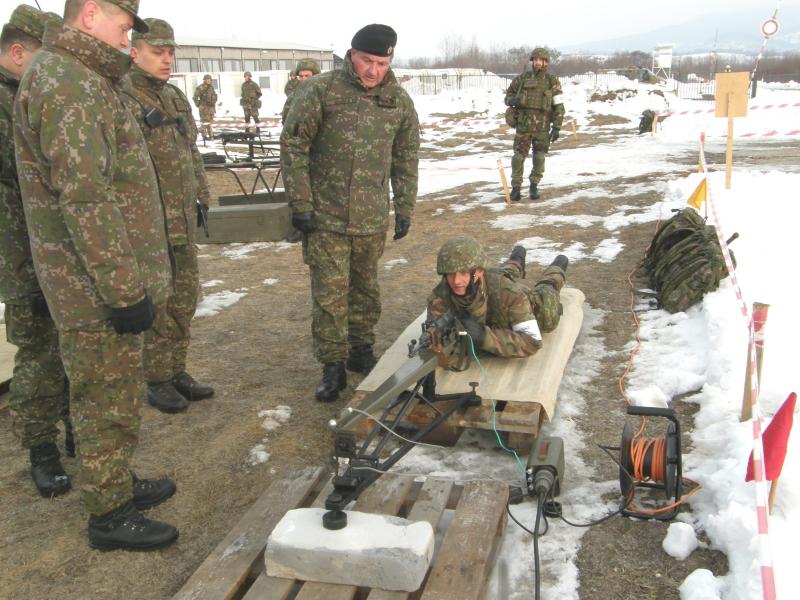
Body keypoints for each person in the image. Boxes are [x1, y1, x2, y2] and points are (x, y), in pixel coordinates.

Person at [14, 0, 178, 551]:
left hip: (97, 278)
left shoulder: (81, 76)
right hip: (93, 287)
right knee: (103, 397)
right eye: (124, 26)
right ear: (89, 14)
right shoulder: (68, 82)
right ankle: (109, 513)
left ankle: (115, 480)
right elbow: (85, 196)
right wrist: (123, 290)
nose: (128, 40)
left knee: (114, 392)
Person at [281, 23, 420, 402]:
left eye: (382, 63)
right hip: (325, 217)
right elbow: (294, 147)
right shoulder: (320, 91)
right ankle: (332, 367)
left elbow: (406, 157)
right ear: (352, 55)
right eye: (367, 61)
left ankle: (361, 350)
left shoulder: (397, 101)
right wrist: (301, 204)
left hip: (370, 218)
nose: (374, 71)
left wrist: (404, 206)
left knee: (365, 290)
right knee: (329, 295)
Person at [123, 18, 214, 413]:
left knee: (183, 298)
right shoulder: (121, 97)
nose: (166, 59)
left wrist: (201, 195)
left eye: (170, 52)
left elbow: (191, 151)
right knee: (157, 303)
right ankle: (156, 378)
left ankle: (176, 368)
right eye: (157, 52)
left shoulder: (175, 97)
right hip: (147, 225)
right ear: (134, 52)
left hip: (181, 218)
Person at [1, 5, 71, 498]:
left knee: (67, 345)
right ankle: (41, 448)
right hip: (19, 252)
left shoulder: (26, 94)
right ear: (18, 51)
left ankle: (73, 430)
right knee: (37, 352)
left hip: (51, 245)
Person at [427, 237, 568, 358]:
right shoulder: (440, 297)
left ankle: (556, 268)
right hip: (493, 281)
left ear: (479, 271)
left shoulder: (507, 293)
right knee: (505, 272)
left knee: (547, 310)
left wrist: (484, 337)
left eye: (463, 273)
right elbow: (436, 334)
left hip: (520, 301)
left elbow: (532, 342)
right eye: (451, 274)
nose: (456, 281)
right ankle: (516, 259)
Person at [504, 47, 564, 201]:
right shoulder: (522, 78)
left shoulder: (552, 81)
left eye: (540, 60)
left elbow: (559, 106)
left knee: (539, 158)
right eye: (535, 60)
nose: (537, 62)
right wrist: (513, 100)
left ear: (546, 62)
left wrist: (557, 127)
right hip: (524, 125)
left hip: (542, 126)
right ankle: (516, 188)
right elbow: (508, 96)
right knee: (518, 157)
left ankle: (534, 186)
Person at [281, 58, 320, 124]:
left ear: (316, 76)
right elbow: (286, 122)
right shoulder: (293, 97)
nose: (303, 79)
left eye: (307, 76)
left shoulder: (324, 95)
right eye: (301, 76)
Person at [193, 72, 217, 138]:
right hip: (204, 108)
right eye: (207, 79)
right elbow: (195, 97)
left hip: (211, 107)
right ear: (205, 80)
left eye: (210, 80)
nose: (209, 81)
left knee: (209, 122)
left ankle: (210, 135)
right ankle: (204, 135)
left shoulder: (211, 88)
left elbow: (214, 96)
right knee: (204, 122)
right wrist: (199, 104)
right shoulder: (200, 87)